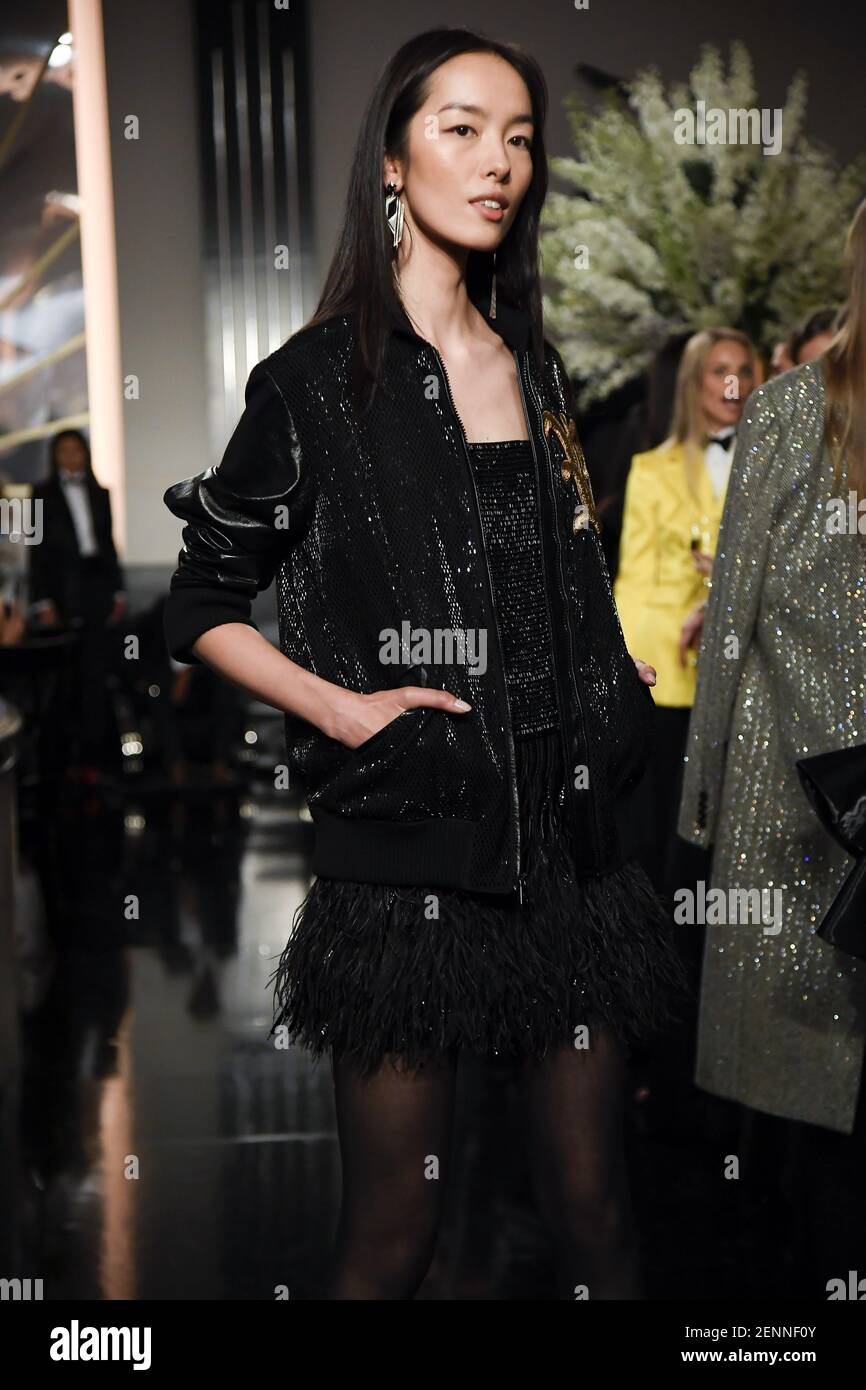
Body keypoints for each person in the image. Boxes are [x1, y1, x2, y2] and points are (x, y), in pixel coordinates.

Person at [162, 27, 687, 1300]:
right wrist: (336, 705)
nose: (497, 161)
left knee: (594, 1218)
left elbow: (567, 585)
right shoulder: (313, 386)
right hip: (407, 866)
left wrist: (615, 705)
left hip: (574, 861)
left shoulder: (538, 369)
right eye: (460, 129)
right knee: (390, 1240)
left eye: (516, 136)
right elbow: (198, 600)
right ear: (391, 163)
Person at [677, 196, 866, 1141]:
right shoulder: (792, 407)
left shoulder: (788, 408)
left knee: (797, 1074)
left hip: (789, 767)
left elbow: (737, 605)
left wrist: (700, 796)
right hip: (793, 781)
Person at [613, 328, 757, 899]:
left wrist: (726, 574)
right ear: (693, 382)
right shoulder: (652, 469)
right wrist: (617, 661)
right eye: (719, 369)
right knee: (666, 837)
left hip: (746, 671)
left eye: (745, 370)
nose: (733, 383)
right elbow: (634, 576)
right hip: (668, 667)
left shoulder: (775, 465)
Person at [28, 429, 126, 775]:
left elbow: (108, 544)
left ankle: (98, 761)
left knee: (96, 672)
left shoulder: (100, 492)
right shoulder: (39, 494)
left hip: (96, 584)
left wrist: (118, 591)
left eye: (75, 450)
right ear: (55, 456)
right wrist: (41, 600)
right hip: (61, 589)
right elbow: (35, 551)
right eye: (63, 451)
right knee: (64, 673)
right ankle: (62, 759)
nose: (70, 456)